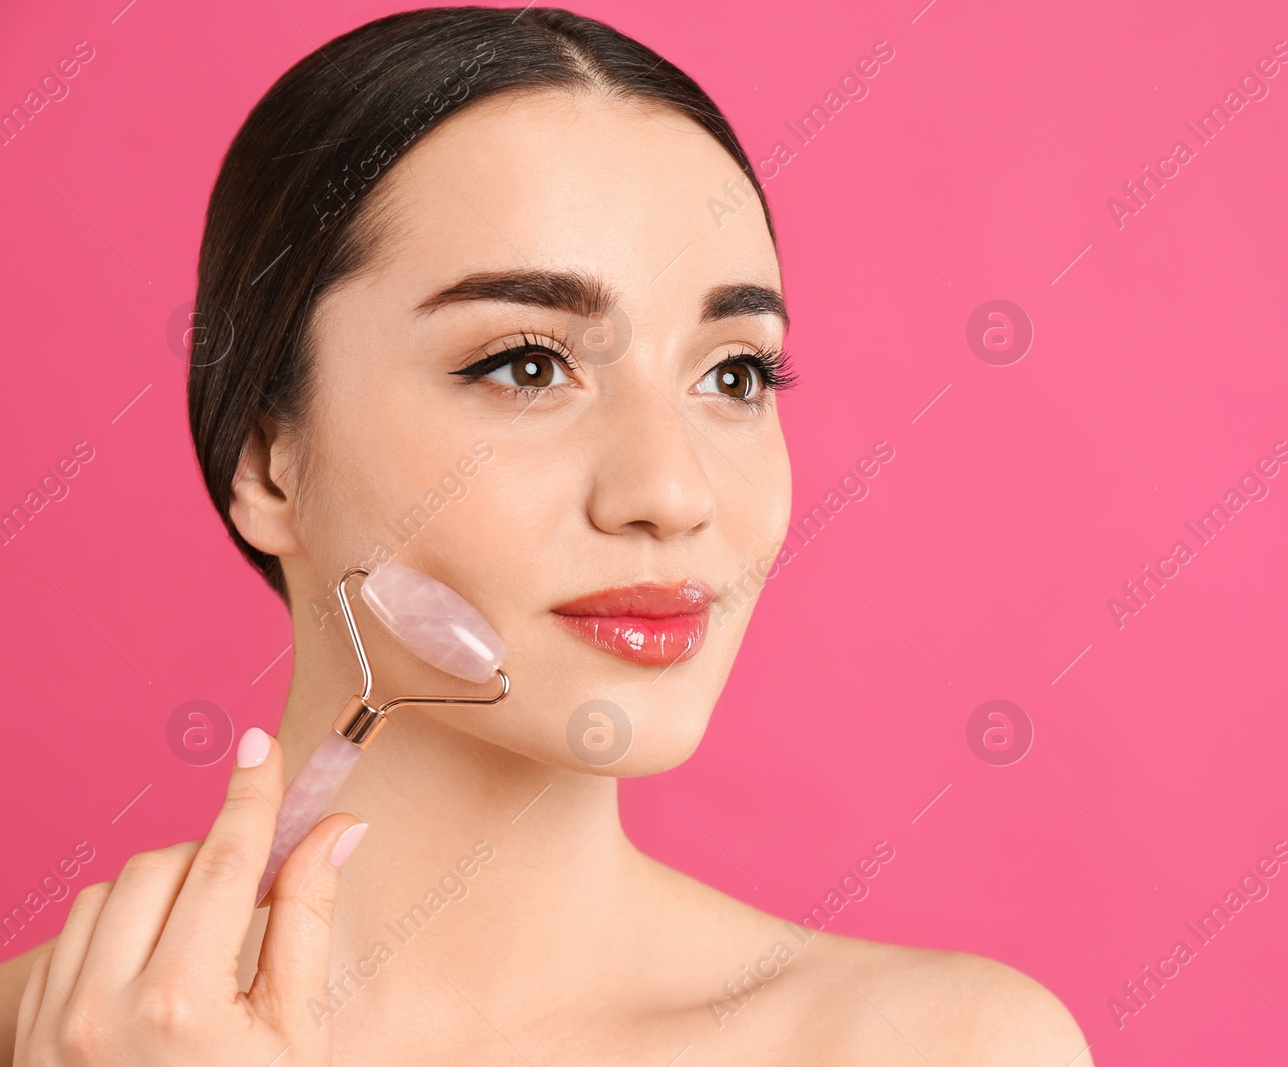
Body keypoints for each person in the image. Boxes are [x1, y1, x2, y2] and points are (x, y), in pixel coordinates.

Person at [2, 7, 1091, 1063]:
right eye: (526, 364)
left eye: (734, 373)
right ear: (266, 460)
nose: (671, 490)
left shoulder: (941, 1047)